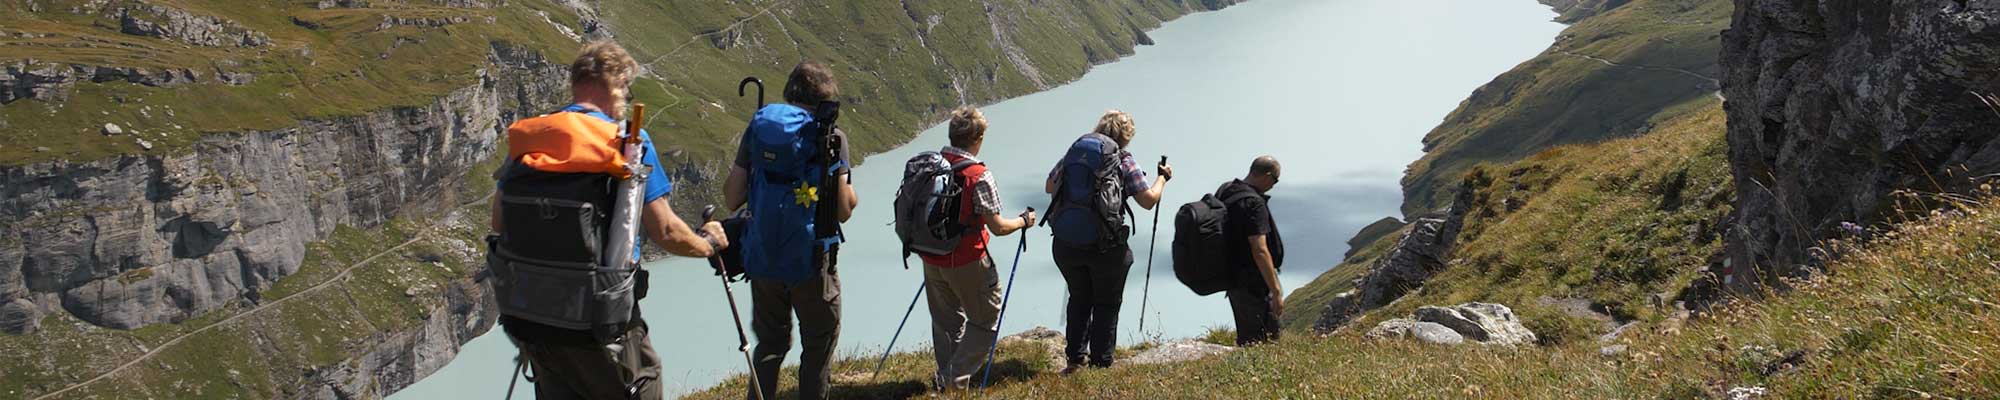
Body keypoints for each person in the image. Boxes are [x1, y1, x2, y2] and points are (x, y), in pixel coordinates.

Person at [490, 40, 727, 400]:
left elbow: (498, 222)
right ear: (615, 83)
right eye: (626, 90)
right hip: (602, 322)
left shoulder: (533, 139)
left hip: (534, 321)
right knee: (642, 381)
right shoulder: (627, 141)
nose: (626, 100)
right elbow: (664, 230)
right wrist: (708, 244)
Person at [723, 60, 859, 400]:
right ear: (826, 99)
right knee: (818, 343)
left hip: (762, 257)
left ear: (789, 92)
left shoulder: (760, 128)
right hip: (812, 262)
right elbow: (843, 210)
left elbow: (732, 197)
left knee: (769, 344)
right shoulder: (830, 136)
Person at [1043, 110, 1172, 373]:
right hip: (1106, 247)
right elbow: (1148, 201)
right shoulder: (1123, 160)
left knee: (1079, 298)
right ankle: (1101, 364)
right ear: (1126, 137)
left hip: (1066, 245)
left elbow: (1049, 186)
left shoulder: (1075, 153)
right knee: (1106, 303)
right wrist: (1163, 178)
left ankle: (1075, 360)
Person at [920, 107, 1036, 390]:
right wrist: (1023, 221)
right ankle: (953, 380)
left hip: (931, 254)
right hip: (967, 259)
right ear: (978, 137)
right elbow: (997, 227)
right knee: (985, 319)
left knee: (946, 321)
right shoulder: (979, 175)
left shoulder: (932, 164)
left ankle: (949, 383)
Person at [1219, 156, 1285, 346]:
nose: (1274, 185)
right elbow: (1260, 249)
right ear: (1267, 176)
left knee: (1249, 337)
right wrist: (1276, 290)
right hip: (1253, 283)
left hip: (1233, 278)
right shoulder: (1254, 203)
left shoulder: (1227, 190)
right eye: (1275, 180)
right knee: (1263, 341)